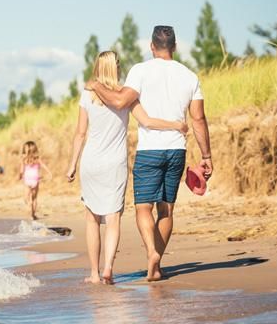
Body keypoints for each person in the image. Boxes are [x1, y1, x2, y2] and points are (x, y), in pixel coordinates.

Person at [85, 26, 212, 281]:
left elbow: (120, 101)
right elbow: (198, 118)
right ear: (174, 47)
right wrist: (207, 155)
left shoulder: (140, 71)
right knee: (166, 211)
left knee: (144, 209)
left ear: (152, 47)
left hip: (149, 150)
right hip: (177, 149)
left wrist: (96, 84)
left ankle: (152, 252)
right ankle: (156, 264)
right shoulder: (189, 76)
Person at [66, 50, 187, 285]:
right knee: (113, 218)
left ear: (98, 68)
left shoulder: (87, 96)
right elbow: (148, 121)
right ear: (117, 68)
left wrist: (72, 164)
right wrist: (176, 124)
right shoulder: (127, 96)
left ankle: (93, 273)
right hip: (115, 163)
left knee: (92, 218)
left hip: (91, 162)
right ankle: (109, 269)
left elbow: (80, 133)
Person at [19, 141, 52, 220]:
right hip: (35, 179)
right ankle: (33, 215)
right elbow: (44, 166)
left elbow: (21, 170)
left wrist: (20, 176)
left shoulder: (24, 159)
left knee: (26, 198)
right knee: (34, 198)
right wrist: (49, 173)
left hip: (27, 179)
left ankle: (29, 204)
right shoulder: (37, 159)